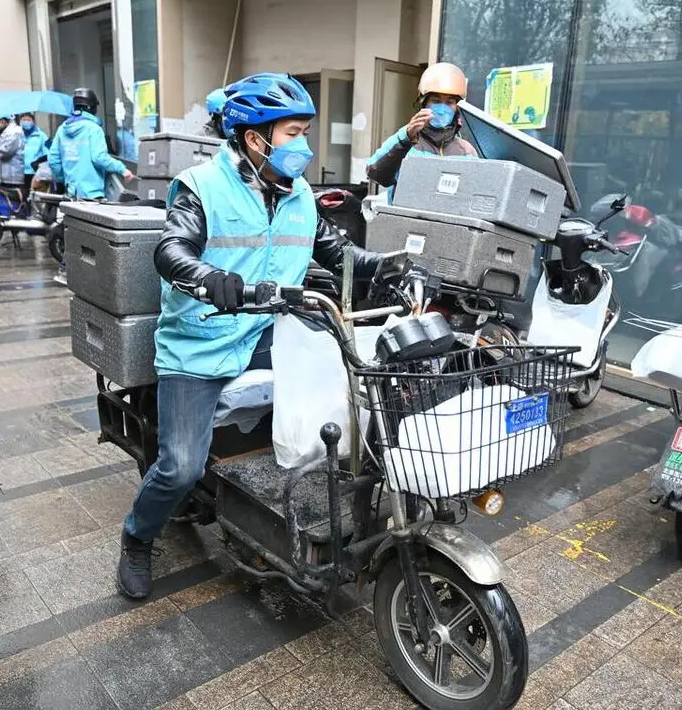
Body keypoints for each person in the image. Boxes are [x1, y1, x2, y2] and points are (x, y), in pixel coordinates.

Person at [116, 72, 389, 600]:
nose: (303, 146)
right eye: (293, 133)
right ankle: (137, 537)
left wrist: (388, 266)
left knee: (344, 386)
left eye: (305, 132)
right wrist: (208, 278)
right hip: (199, 343)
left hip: (266, 335)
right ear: (254, 138)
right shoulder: (200, 187)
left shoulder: (300, 195)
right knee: (180, 466)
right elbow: (171, 251)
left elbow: (339, 254)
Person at [366, 62, 477, 198]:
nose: (443, 109)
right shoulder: (405, 138)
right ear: (424, 104)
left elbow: (471, 192)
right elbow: (376, 174)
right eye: (436, 101)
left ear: (457, 108)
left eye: (450, 102)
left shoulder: (466, 151)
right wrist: (406, 139)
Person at [48, 87, 134, 201]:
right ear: (91, 107)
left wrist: (64, 179)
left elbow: (53, 160)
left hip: (71, 194)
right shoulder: (94, 129)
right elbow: (99, 157)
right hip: (92, 195)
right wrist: (122, 169)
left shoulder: (62, 129)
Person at [18, 112, 49, 191]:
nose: (26, 122)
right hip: (20, 173)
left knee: (34, 195)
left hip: (36, 173)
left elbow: (49, 152)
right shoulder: (17, 135)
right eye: (24, 120)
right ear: (20, 122)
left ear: (33, 122)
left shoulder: (42, 135)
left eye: (28, 120)